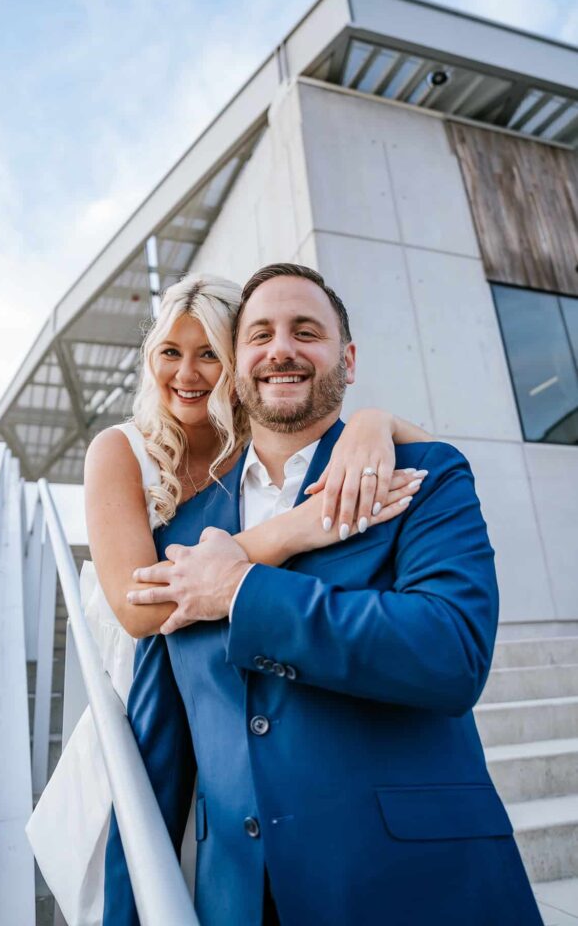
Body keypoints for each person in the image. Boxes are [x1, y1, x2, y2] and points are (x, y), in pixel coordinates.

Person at [104, 264, 543, 926]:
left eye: (305, 331)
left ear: (348, 357)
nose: (280, 349)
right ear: (238, 363)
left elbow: (451, 653)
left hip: (426, 891)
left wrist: (246, 592)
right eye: (260, 335)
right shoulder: (181, 537)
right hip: (242, 905)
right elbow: (157, 759)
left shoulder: (424, 475)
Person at [26, 272, 430, 926]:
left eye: (209, 352)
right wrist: (294, 528)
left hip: (237, 686)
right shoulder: (119, 450)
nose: (187, 372)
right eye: (170, 352)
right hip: (145, 701)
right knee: (140, 882)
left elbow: (425, 451)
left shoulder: (258, 450)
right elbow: (141, 608)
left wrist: (374, 422)